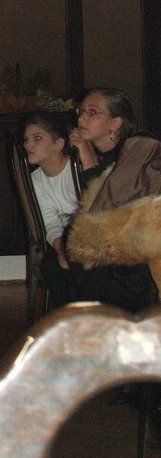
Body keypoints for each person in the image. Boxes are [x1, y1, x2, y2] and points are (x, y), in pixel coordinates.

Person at [42, 87, 161, 311]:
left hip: (143, 245)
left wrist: (87, 157)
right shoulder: (102, 154)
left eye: (93, 112)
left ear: (116, 123)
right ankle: (82, 322)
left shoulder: (136, 147)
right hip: (123, 240)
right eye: (81, 111)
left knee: (81, 260)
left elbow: (108, 205)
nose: (82, 118)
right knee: (56, 262)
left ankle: (99, 321)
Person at [23, 111, 79, 272]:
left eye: (37, 138)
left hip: (87, 236)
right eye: (26, 140)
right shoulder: (35, 180)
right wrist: (61, 249)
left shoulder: (76, 169)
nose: (28, 145)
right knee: (51, 266)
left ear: (58, 144)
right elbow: (49, 222)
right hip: (63, 240)